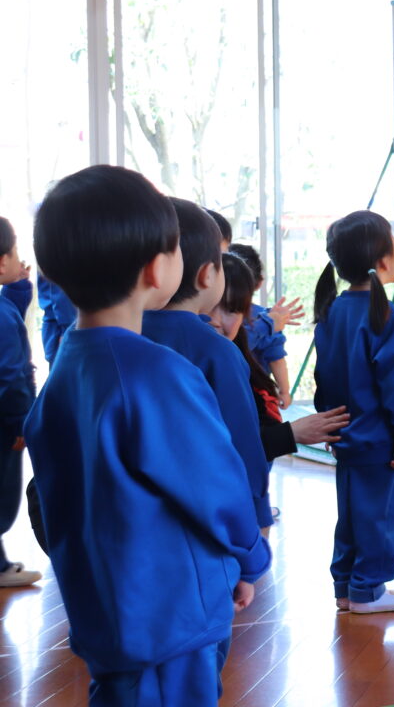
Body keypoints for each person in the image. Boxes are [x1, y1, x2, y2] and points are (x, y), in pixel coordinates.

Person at [23, 165, 270, 705]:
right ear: (157, 269)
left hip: (103, 614)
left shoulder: (64, 371)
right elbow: (215, 484)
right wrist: (251, 555)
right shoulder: (155, 373)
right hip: (168, 618)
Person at [142, 199, 274, 532]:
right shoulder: (216, 352)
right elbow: (243, 447)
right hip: (204, 524)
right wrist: (257, 521)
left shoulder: (122, 333)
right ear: (208, 275)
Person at [313, 210, 394, 614]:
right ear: (384, 261)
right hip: (380, 443)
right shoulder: (388, 319)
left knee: (351, 516)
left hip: (344, 438)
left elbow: (324, 375)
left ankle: (345, 586)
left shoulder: (331, 312)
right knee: (382, 517)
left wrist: (329, 426)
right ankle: (368, 589)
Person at [211, 252, 348, 463]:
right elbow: (230, 445)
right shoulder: (208, 364)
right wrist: (291, 433)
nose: (216, 320)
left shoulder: (248, 338)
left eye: (232, 310)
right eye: (209, 307)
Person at [0, 216, 40, 588]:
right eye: (14, 254)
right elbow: (10, 377)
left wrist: (17, 288)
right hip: (4, 424)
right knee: (3, 498)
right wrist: (19, 423)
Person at [228, 243, 305, 408]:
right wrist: (284, 391)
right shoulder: (268, 319)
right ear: (259, 283)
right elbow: (276, 359)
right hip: (258, 395)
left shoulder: (210, 315)